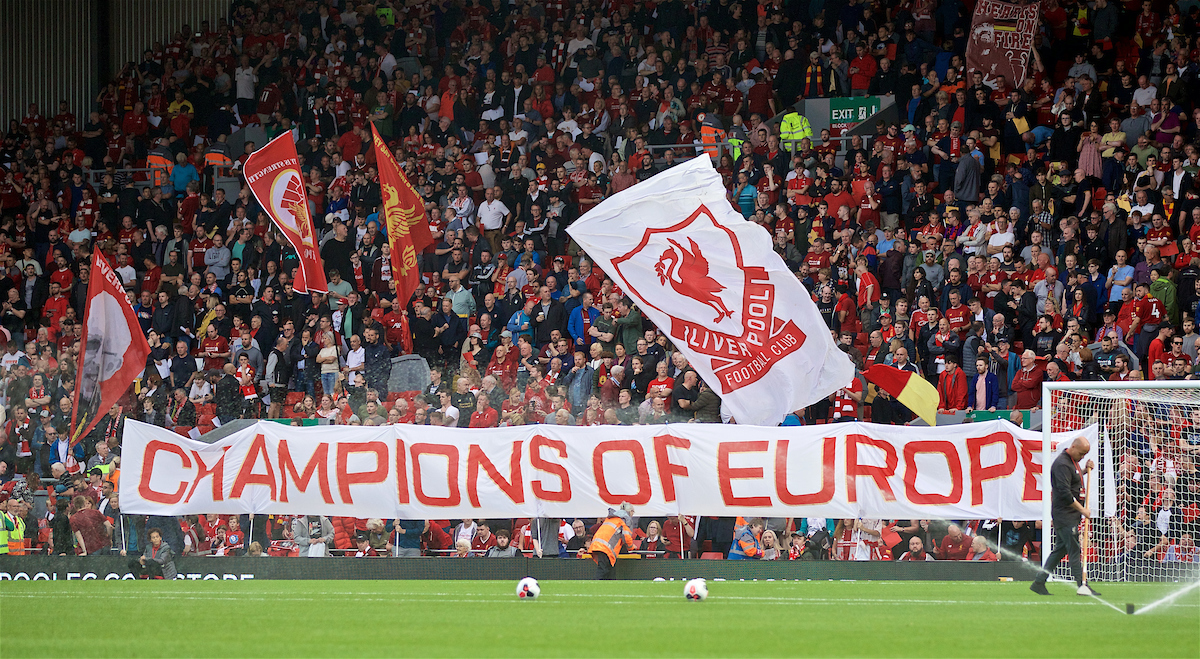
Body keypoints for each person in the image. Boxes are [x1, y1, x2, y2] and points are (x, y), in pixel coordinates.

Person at [1031, 436, 1101, 596]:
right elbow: (1064, 494)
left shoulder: (1072, 462)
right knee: (1074, 549)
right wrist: (1082, 510)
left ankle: (1038, 582)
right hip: (1064, 515)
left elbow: (1073, 478)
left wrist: (1085, 470)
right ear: (1074, 447)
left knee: (1060, 550)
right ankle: (1082, 585)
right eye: (1082, 453)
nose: (1082, 457)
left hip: (1071, 515)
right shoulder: (1061, 464)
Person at [588, 503, 635, 579]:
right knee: (603, 570)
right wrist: (632, 547)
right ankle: (594, 586)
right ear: (630, 511)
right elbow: (626, 537)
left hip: (598, 545)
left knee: (609, 571)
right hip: (605, 548)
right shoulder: (625, 520)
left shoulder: (612, 518)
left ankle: (607, 588)